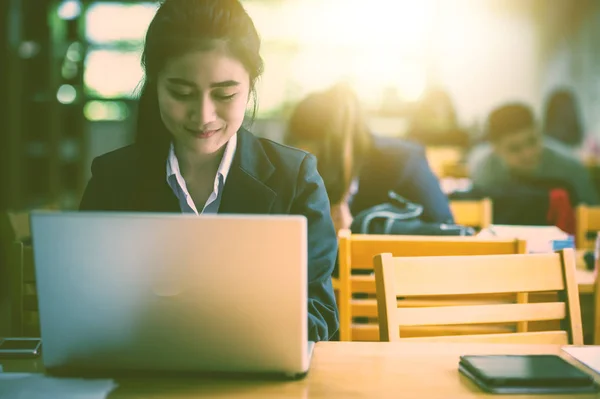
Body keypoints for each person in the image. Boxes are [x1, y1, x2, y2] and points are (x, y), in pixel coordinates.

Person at [79, 0, 338, 342]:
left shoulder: (297, 180)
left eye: (225, 94)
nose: (203, 116)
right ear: (154, 83)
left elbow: (319, 311)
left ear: (251, 86)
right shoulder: (113, 178)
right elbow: (85, 304)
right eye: (181, 92)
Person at [285, 84, 454, 232]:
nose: (309, 166)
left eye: (317, 156)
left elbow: (450, 233)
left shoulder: (403, 161)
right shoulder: (301, 177)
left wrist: (361, 229)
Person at [468, 103, 599, 205]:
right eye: (515, 148)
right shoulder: (486, 174)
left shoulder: (570, 169)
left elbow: (593, 221)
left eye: (532, 141)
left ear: (540, 132)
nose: (528, 153)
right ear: (496, 149)